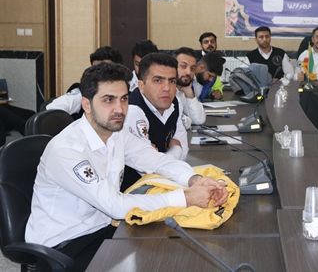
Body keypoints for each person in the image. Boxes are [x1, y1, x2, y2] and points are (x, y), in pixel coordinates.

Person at [25, 62, 228, 271]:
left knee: (171, 250)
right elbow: (115, 205)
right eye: (108, 100)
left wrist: (195, 179)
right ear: (86, 104)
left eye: (123, 99)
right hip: (64, 246)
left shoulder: (117, 132)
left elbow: (156, 160)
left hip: (104, 228)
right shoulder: (67, 150)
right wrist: (186, 198)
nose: (119, 109)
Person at [127, 53, 189, 161]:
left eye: (172, 81)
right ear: (141, 86)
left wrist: (173, 152)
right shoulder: (132, 110)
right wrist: (176, 149)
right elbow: (150, 164)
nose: (167, 88)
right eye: (157, 81)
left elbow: (184, 151)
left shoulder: (175, 103)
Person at [46, 46, 129, 117]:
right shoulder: (82, 92)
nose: (99, 74)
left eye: (105, 69)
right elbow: (51, 110)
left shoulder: (130, 92)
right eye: (95, 69)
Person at [172, 47, 206, 127]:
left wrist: (189, 92)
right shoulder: (164, 90)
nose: (188, 72)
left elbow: (199, 120)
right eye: (183, 66)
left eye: (192, 68)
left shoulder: (183, 90)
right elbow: (173, 122)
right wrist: (187, 121)